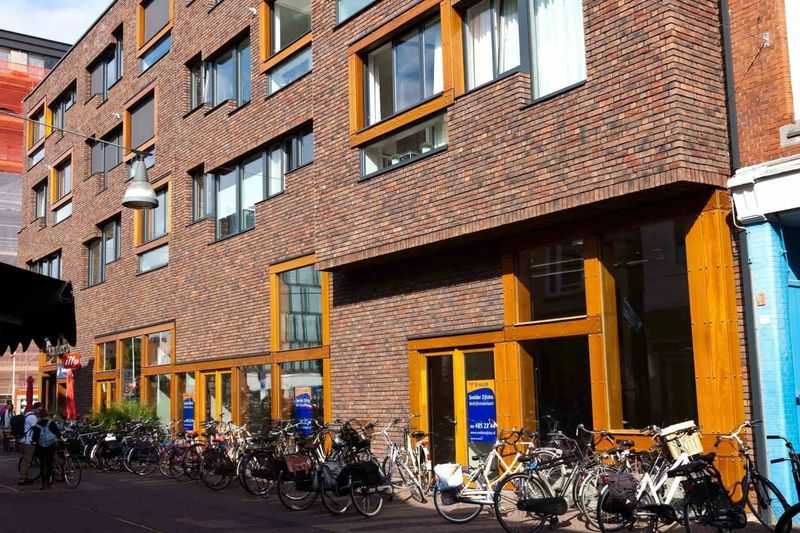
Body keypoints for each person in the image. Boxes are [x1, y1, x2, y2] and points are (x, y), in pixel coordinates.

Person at [31, 409, 61, 490]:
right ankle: (49, 483)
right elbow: (58, 433)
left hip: (40, 447)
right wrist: (57, 438)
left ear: (40, 416)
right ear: (47, 415)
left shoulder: (37, 425)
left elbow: (35, 437)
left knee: (42, 465)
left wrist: (34, 442)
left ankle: (43, 484)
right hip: (51, 446)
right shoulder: (51, 423)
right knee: (49, 464)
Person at [17, 402, 40, 485]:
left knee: (25, 460)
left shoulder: (27, 415)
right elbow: (37, 428)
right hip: (28, 442)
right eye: (39, 409)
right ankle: (22, 479)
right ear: (36, 408)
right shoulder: (33, 417)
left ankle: (25, 477)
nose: (39, 411)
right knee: (26, 461)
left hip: (23, 440)